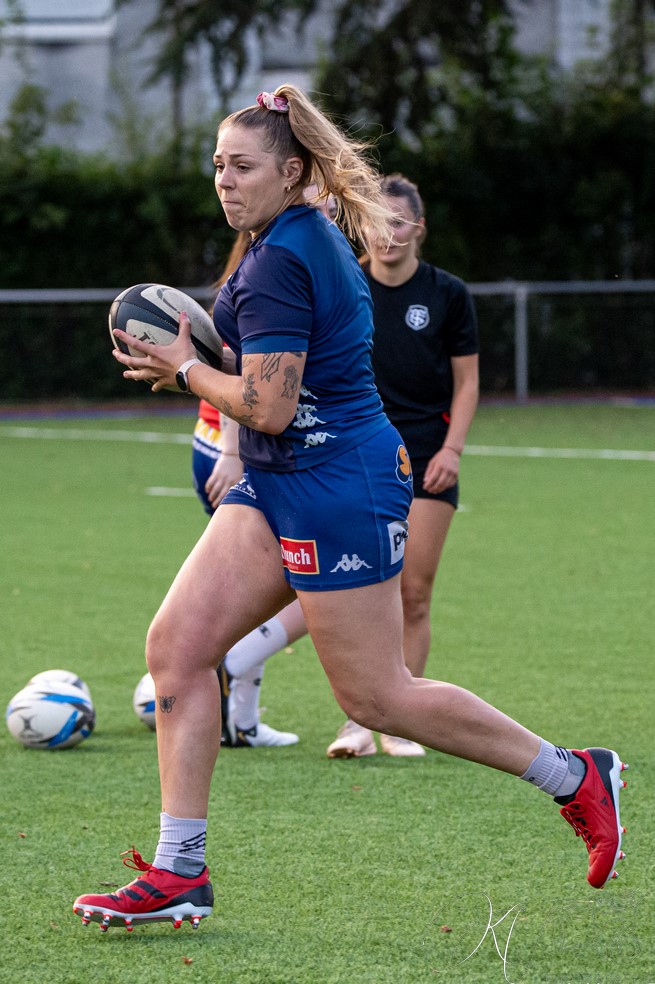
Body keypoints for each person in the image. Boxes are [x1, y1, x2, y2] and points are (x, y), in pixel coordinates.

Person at [73, 84, 627, 933]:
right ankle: (180, 871)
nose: (223, 180)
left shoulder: (281, 260)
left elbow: (270, 406)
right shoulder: (298, 228)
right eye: (217, 164)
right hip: (280, 476)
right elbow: (326, 180)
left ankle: (576, 776)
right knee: (177, 651)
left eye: (243, 166)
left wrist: (182, 366)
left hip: (335, 483)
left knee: (376, 698)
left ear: (289, 173)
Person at [327, 173, 479, 757]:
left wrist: (452, 450)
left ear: (419, 228)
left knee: (413, 591)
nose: (387, 234)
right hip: (358, 452)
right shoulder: (345, 287)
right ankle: (357, 720)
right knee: (361, 588)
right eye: (376, 221)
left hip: (426, 455)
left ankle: (400, 720)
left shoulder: (448, 294)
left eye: (399, 222)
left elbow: (467, 385)